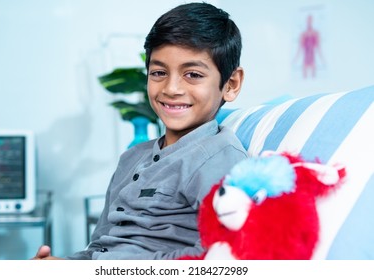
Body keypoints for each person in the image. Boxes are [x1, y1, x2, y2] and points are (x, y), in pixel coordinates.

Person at [33, 2, 247, 260]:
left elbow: (219, 258)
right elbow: (98, 247)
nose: (171, 88)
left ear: (231, 84)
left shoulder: (220, 158)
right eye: (158, 72)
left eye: (192, 74)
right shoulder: (131, 159)